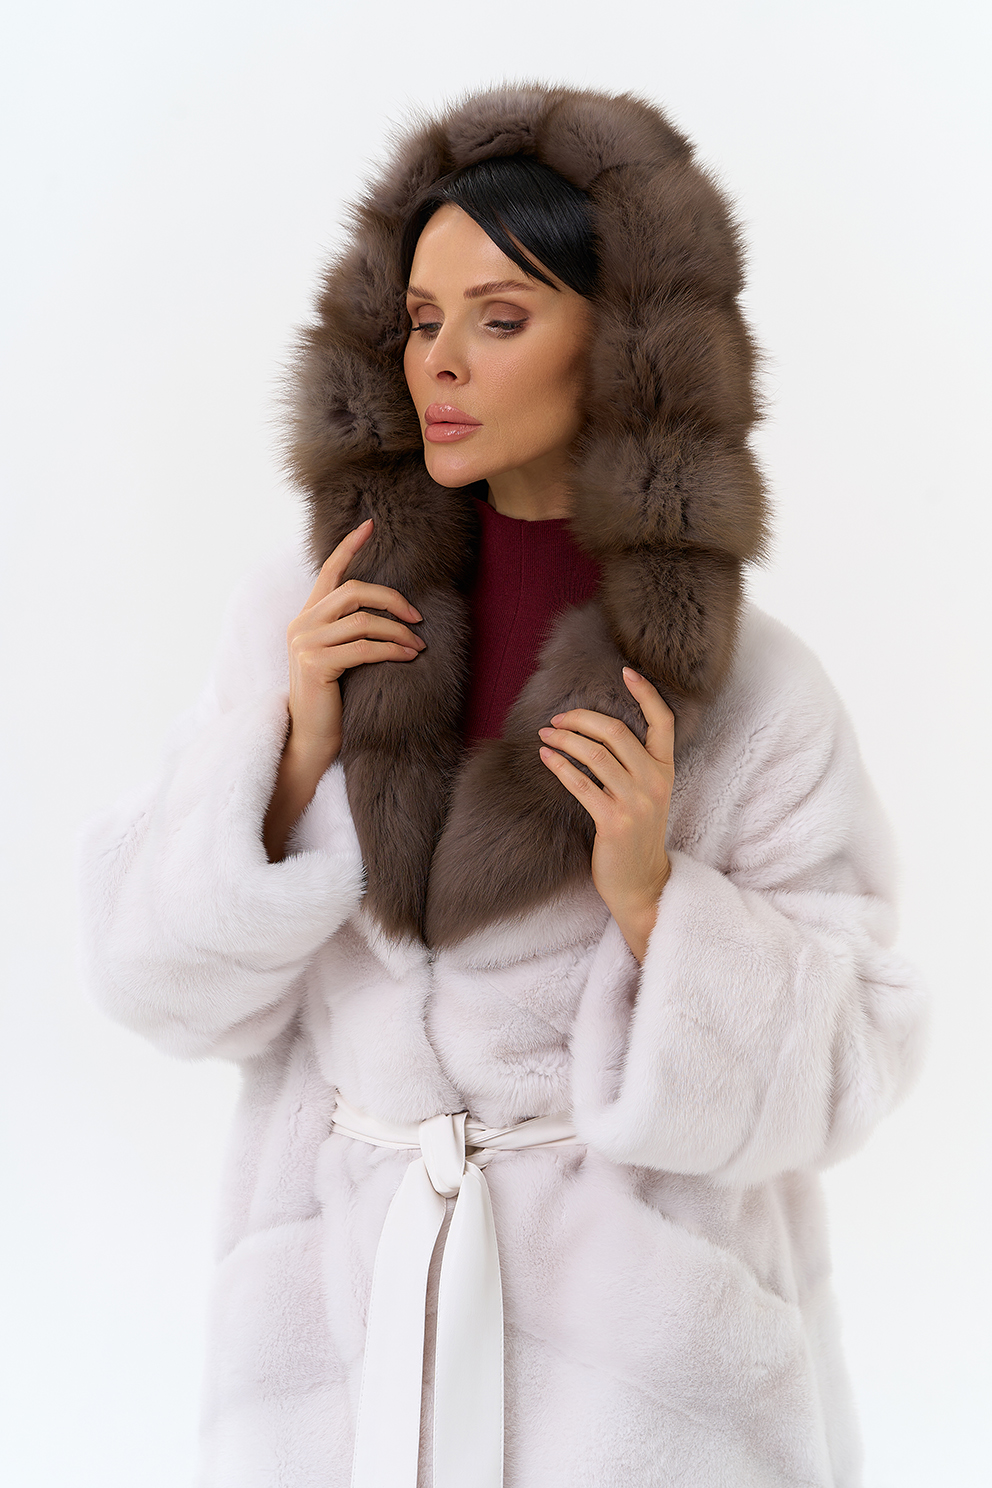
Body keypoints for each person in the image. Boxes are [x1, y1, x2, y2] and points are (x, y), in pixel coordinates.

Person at [79, 84, 927, 1488]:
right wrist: (287, 762)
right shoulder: (314, 616)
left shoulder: (752, 691)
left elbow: (856, 1061)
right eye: (422, 320)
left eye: (502, 317)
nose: (443, 364)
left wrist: (660, 904)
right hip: (343, 1322)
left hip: (640, 1366)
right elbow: (151, 982)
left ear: (629, 344)